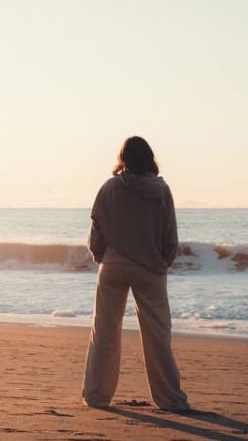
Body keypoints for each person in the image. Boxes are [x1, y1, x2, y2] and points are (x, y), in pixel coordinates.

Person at [82, 136, 191, 412]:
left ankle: (96, 395)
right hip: (150, 269)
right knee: (158, 336)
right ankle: (170, 399)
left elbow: (97, 231)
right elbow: (170, 235)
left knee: (105, 333)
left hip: (114, 265)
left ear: (123, 158)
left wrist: (101, 258)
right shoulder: (161, 190)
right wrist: (163, 263)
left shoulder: (109, 188)